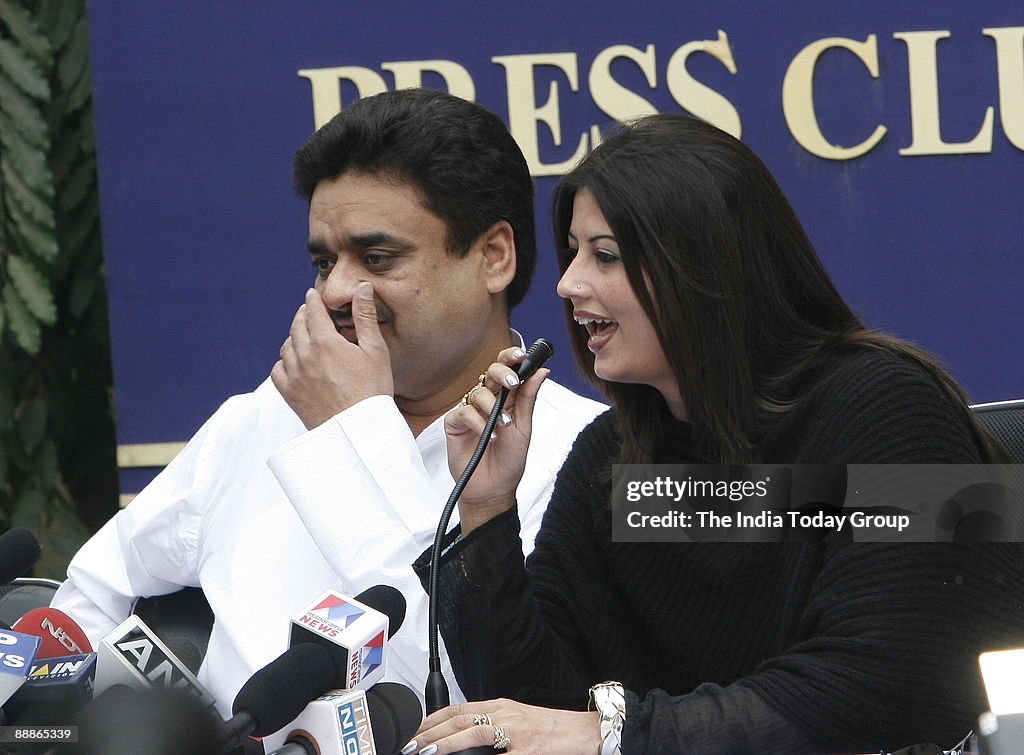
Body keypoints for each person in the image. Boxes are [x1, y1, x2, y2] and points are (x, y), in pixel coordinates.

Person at [409, 115, 1024, 754]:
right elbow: (529, 716)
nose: (568, 285)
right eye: (573, 253)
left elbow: (890, 683)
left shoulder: (895, 403)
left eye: (607, 255)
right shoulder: (611, 460)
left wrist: (622, 736)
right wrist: (484, 509)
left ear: (705, 267)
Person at [50, 89, 605, 716]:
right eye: (323, 262)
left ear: (492, 257)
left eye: (376, 258)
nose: (338, 290)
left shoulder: (590, 456)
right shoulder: (266, 416)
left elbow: (473, 687)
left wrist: (351, 436)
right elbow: (88, 599)